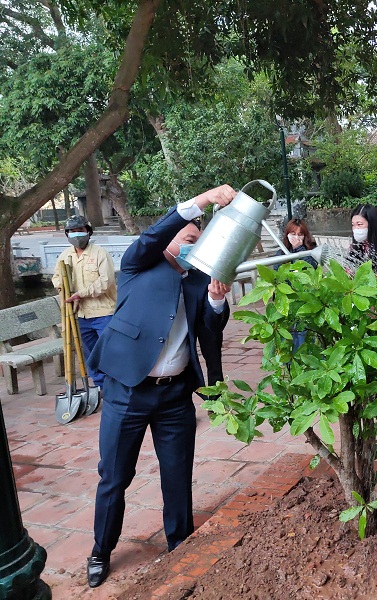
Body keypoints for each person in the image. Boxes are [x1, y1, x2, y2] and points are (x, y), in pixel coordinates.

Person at [85, 185, 235, 588]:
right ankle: (101, 549)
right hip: (127, 390)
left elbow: (210, 330)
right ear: (171, 237)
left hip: (174, 396)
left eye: (198, 241)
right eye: (188, 238)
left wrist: (218, 302)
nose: (193, 246)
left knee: (177, 473)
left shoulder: (199, 280)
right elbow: (152, 236)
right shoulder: (137, 266)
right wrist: (203, 200)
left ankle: (180, 545)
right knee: (114, 475)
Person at [51, 215, 117, 391]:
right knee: (90, 354)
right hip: (79, 314)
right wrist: (63, 289)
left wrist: (80, 294)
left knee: (109, 351)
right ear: (67, 234)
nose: (76, 235)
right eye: (72, 232)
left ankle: (117, 386)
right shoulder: (65, 256)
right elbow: (57, 278)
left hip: (104, 312)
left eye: (80, 231)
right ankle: (100, 387)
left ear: (88, 232)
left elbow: (105, 282)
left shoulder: (100, 254)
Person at [279, 218, 318, 352]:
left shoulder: (311, 250)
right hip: (288, 305)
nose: (296, 237)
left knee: (306, 341)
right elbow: (278, 278)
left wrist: (299, 249)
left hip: (307, 302)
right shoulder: (281, 254)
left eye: (300, 234)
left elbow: (310, 268)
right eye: (293, 234)